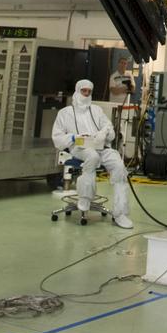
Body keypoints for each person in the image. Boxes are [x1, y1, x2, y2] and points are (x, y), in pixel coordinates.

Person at [52, 79, 133, 230]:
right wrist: (73, 137)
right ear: (77, 91)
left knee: (119, 166)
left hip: (101, 147)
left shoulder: (96, 110)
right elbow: (57, 138)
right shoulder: (65, 113)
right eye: (84, 91)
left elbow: (110, 130)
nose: (86, 94)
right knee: (92, 157)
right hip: (79, 148)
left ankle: (120, 214)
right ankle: (85, 197)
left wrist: (105, 133)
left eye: (89, 91)